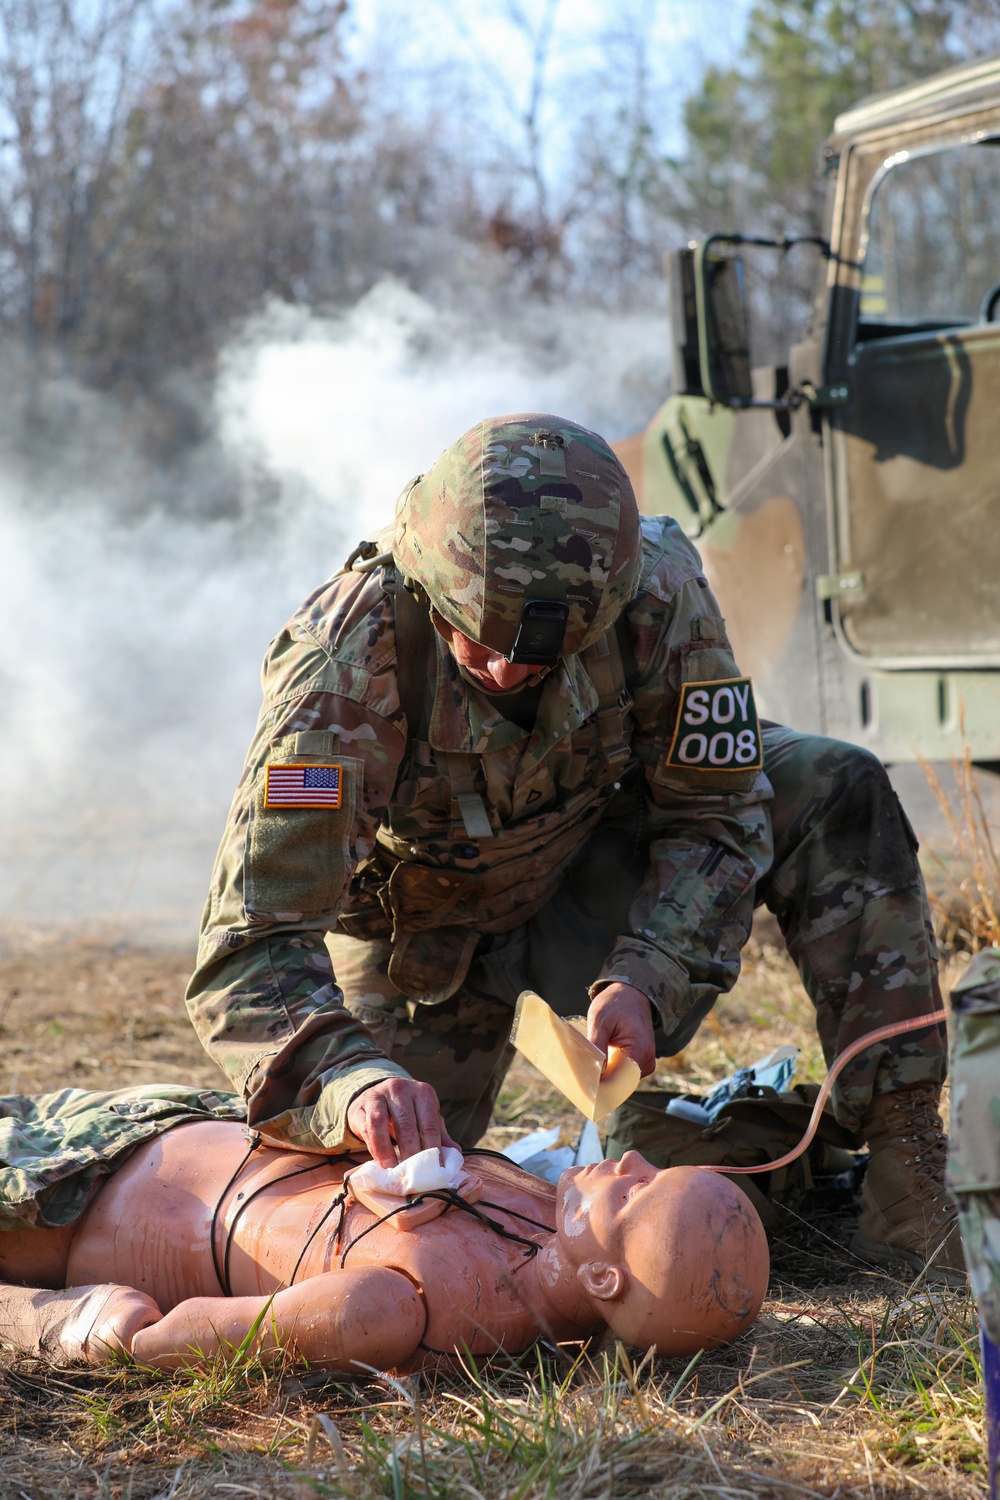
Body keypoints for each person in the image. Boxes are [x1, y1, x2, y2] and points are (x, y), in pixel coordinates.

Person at [185, 412, 961, 1281]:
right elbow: (249, 951)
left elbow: (718, 814)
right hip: (428, 949)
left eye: (544, 653)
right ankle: (704, 1148)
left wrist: (646, 976)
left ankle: (905, 1164)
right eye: (479, 641)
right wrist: (352, 1079)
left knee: (831, 783)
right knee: (378, 1212)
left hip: (594, 873)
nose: (510, 672)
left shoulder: (658, 593)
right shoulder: (342, 670)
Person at [0, 1085, 768, 1369]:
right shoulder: (546, 1215)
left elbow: (151, 1338)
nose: (630, 1160)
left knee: (105, 1328)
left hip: (66, 1200)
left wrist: (65, 1325)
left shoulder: (394, 1311)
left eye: (634, 1195)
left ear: (606, 1279)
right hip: (174, 1119)